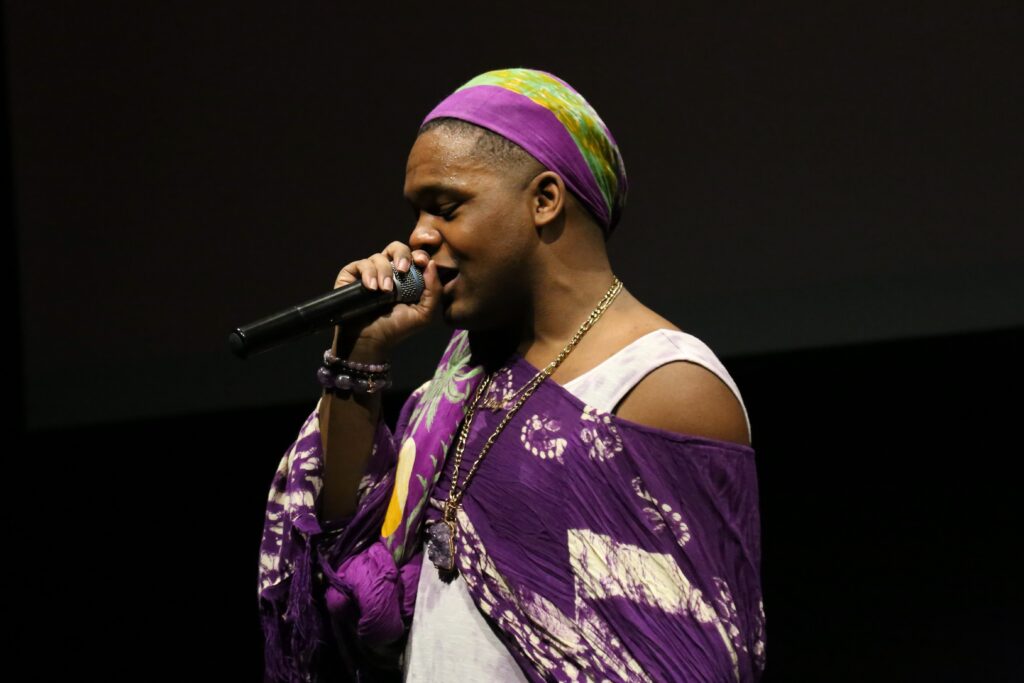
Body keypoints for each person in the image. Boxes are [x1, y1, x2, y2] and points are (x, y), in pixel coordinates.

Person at [258, 67, 765, 683]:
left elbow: (684, 655)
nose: (418, 236)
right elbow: (348, 567)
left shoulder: (663, 384)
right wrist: (359, 354)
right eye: (417, 212)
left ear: (544, 201)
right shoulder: (456, 387)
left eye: (446, 207)